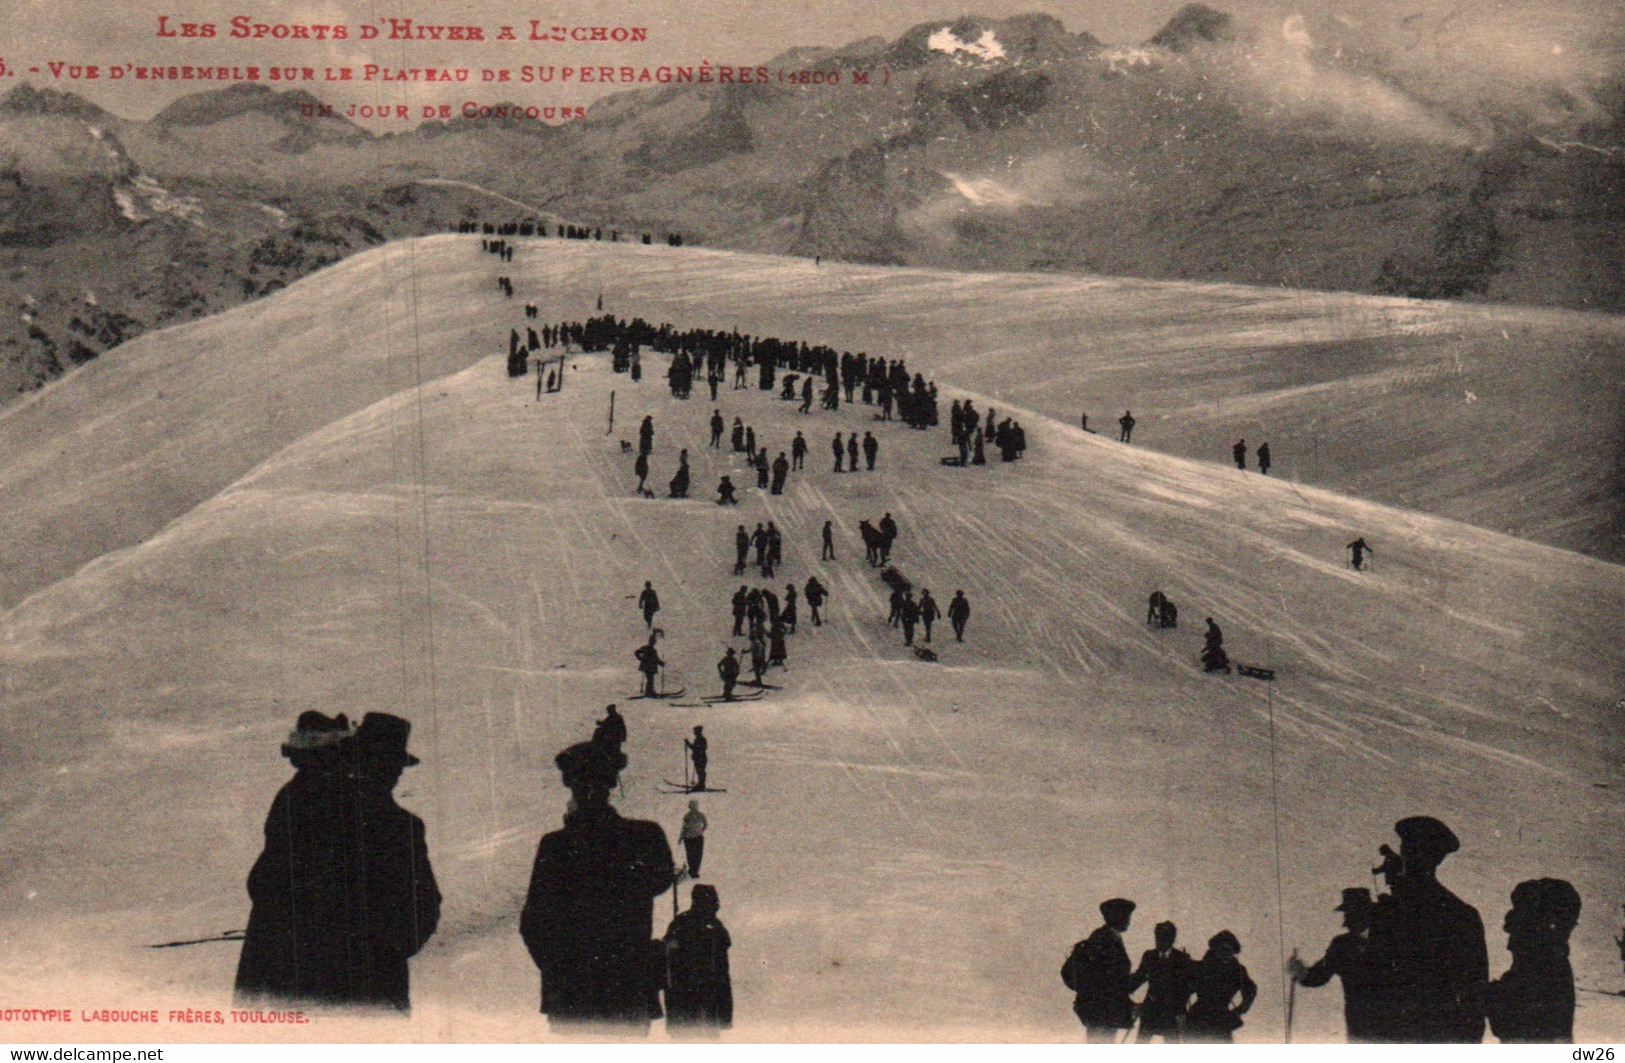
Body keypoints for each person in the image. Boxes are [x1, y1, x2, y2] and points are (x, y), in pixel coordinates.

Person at [235, 712, 440, 1012]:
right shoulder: (399, 826)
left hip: (297, 981)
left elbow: (263, 883)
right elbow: (423, 907)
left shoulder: (305, 804)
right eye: (390, 765)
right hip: (371, 988)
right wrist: (385, 953)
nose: (394, 774)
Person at [520, 740, 674, 1031]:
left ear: (571, 786)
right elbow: (662, 879)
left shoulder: (555, 846)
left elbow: (533, 924)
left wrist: (562, 971)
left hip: (572, 995)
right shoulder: (646, 837)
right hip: (629, 990)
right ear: (611, 783)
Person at [1364, 815, 1489, 1042]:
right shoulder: (1462, 914)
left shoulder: (1388, 913)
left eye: (1409, 851)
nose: (1405, 857)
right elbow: (1475, 1006)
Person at [1486, 878, 1580, 1043]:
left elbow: (1506, 1024)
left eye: (1517, 930)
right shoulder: (1553, 963)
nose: (1510, 945)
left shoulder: (1543, 968)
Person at [1290, 887, 1381, 1042]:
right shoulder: (1341, 945)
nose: (1347, 919)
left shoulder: (1391, 939)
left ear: (1368, 913)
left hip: (1395, 1020)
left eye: (1353, 912)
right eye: (1347, 913)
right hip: (1359, 1023)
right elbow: (1318, 976)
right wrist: (1299, 972)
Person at [1062, 898, 1137, 1042]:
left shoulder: (1109, 938)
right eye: (1126, 916)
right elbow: (1107, 979)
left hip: (1103, 1010)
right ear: (1116, 917)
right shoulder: (1104, 940)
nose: (1129, 920)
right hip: (1101, 1010)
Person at [663, 884, 733, 1034]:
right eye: (714, 900)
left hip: (692, 996)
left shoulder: (681, 923)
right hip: (696, 994)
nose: (716, 904)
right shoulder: (715, 927)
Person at [1130, 921, 1196, 1043]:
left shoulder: (1182, 959)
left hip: (1172, 1013)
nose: (1160, 940)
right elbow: (1138, 978)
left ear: (1172, 938)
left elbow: (1189, 986)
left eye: (1165, 937)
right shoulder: (1149, 956)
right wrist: (1123, 989)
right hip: (1150, 1011)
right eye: (1158, 936)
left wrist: (1181, 1008)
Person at [1185, 931, 1256, 1042]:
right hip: (1198, 1019)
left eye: (1229, 950)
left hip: (1222, 1021)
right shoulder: (1201, 967)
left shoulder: (1238, 971)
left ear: (1233, 952)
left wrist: (1239, 1010)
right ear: (1215, 950)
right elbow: (1184, 990)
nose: (1225, 953)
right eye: (1222, 949)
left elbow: (1250, 990)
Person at [679, 800, 708, 877]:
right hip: (698, 837)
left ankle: (692, 870)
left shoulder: (687, 816)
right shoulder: (700, 815)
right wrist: (700, 831)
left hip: (688, 838)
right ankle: (695, 871)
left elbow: (684, 828)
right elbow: (705, 824)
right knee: (698, 855)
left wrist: (681, 837)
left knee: (690, 854)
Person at [635, 633, 664, 697]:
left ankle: (649, 692)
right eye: (653, 642)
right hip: (649, 667)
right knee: (650, 680)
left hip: (648, 667)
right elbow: (656, 659)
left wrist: (641, 659)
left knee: (650, 680)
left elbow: (637, 652)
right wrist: (661, 663)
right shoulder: (649, 649)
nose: (654, 643)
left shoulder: (647, 648)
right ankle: (649, 692)